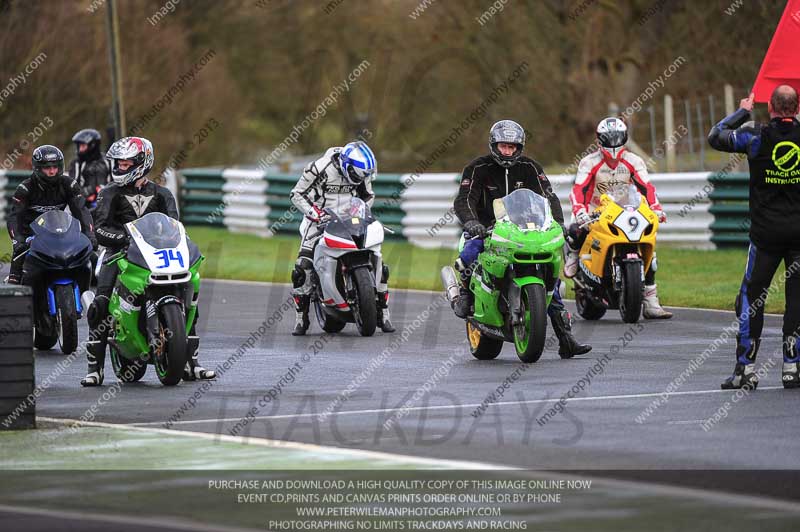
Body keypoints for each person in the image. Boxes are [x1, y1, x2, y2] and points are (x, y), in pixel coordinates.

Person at [81, 136, 215, 386]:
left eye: (125, 163)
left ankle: (192, 364)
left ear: (141, 163)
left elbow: (176, 227)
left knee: (188, 298)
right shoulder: (109, 193)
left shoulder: (162, 194)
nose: (119, 167)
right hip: (118, 254)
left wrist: (179, 243)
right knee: (100, 304)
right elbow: (99, 229)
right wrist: (122, 239)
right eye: (118, 163)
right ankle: (94, 369)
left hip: (156, 255)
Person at [452, 119, 591, 358]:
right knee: (469, 254)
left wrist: (557, 223)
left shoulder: (530, 167)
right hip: (487, 229)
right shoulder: (477, 168)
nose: (508, 151)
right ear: (494, 145)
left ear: (519, 148)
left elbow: (549, 197)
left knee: (549, 277)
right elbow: (464, 199)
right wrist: (472, 222)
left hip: (526, 229)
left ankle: (565, 338)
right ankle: (465, 292)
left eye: (512, 147)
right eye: (503, 146)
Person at [708, 85, 800, 390]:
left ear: (770, 107)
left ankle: (745, 369)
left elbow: (716, 135)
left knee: (750, 298)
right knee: (797, 297)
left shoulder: (755, 134)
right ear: (796, 108)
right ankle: (792, 367)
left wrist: (743, 110)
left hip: (765, 235)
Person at [564, 117, 673, 319]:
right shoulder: (589, 162)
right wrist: (580, 210)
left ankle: (650, 301)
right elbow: (578, 190)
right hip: (593, 209)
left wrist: (656, 208)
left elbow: (646, 188)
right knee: (575, 231)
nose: (613, 143)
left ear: (624, 138)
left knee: (648, 248)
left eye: (617, 138)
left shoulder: (634, 161)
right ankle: (573, 253)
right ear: (599, 140)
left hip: (623, 209)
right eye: (608, 138)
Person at [289, 140, 395, 336]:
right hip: (318, 219)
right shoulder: (318, 168)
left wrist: (360, 210)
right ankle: (301, 317)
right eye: (356, 174)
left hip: (350, 217)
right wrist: (316, 214)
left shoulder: (361, 171)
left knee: (377, 258)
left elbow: (368, 195)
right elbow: (296, 194)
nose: (359, 178)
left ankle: (382, 313)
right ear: (346, 165)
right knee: (302, 268)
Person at [5, 145, 96, 285]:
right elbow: (14, 216)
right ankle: (13, 285)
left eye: (55, 167)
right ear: (37, 168)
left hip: (60, 232)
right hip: (31, 236)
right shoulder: (25, 188)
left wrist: (90, 235)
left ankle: (96, 296)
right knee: (18, 259)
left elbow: (81, 210)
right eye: (47, 168)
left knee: (92, 256)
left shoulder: (69, 184)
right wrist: (17, 240)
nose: (52, 171)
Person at [67, 128, 110, 210]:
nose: (80, 150)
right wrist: (90, 191)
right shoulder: (76, 164)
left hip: (108, 205)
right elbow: (72, 189)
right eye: (79, 146)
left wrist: (103, 191)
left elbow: (116, 183)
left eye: (83, 146)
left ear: (93, 145)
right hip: (84, 207)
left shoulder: (108, 161)